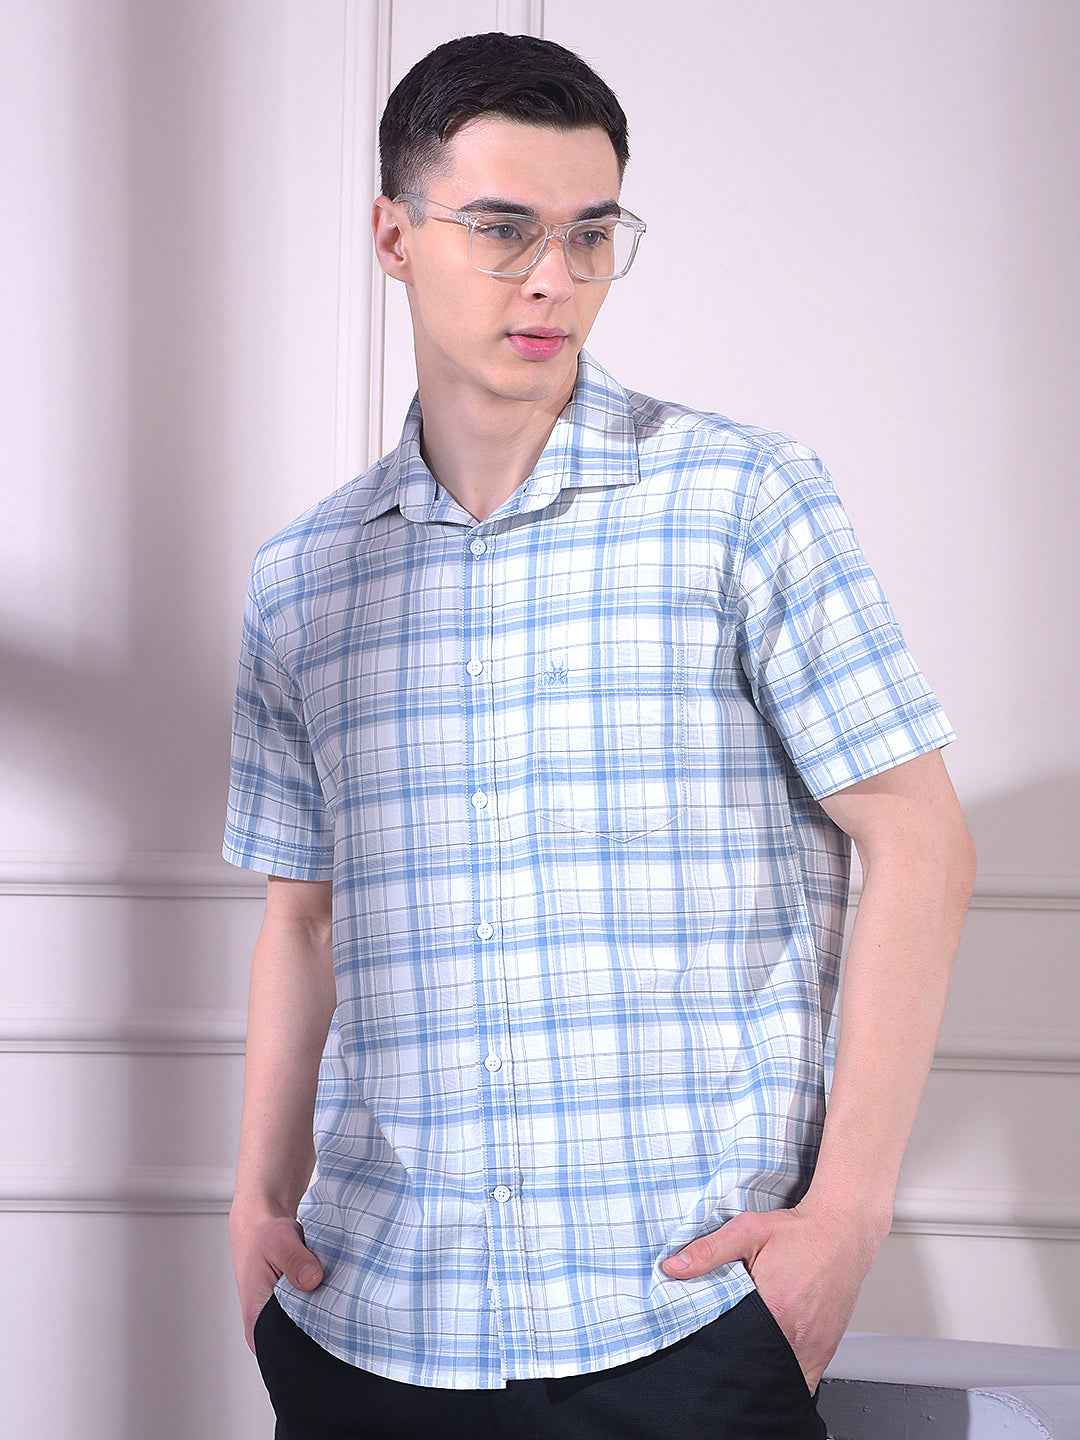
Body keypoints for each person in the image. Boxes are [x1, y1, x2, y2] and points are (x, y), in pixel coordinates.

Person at [222, 29, 976, 1440]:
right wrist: (258, 1203)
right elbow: (302, 915)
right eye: (501, 228)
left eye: (589, 234)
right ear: (394, 236)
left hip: (681, 1316)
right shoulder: (304, 578)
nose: (552, 279)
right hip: (368, 1320)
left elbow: (920, 837)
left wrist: (845, 1219)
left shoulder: (742, 501)